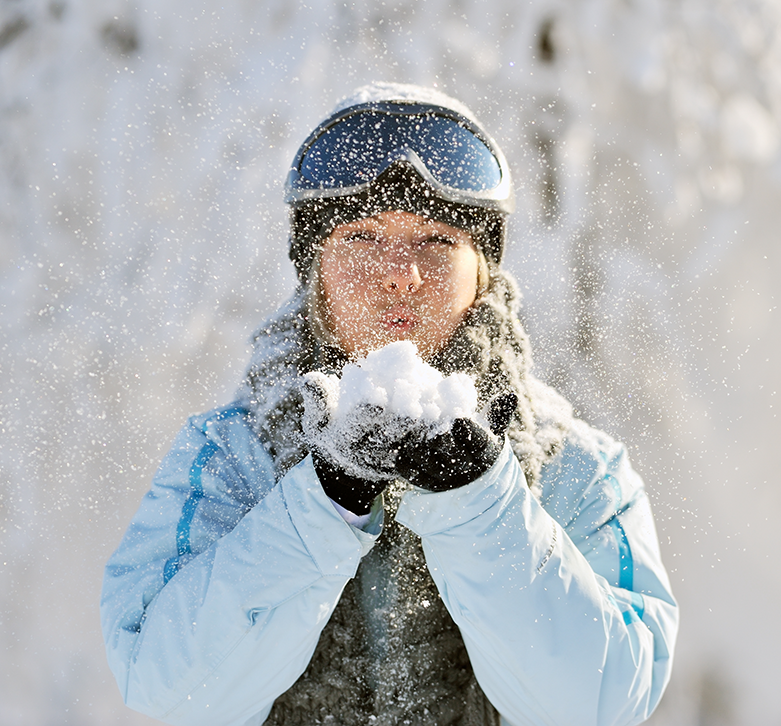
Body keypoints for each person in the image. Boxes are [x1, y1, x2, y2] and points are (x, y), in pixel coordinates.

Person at [101, 82, 678, 726]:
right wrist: (321, 505)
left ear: (482, 268)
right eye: (363, 237)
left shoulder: (577, 468)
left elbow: (600, 703)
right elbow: (166, 684)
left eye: (435, 242)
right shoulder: (232, 457)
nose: (400, 274)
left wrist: (482, 504)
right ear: (314, 265)